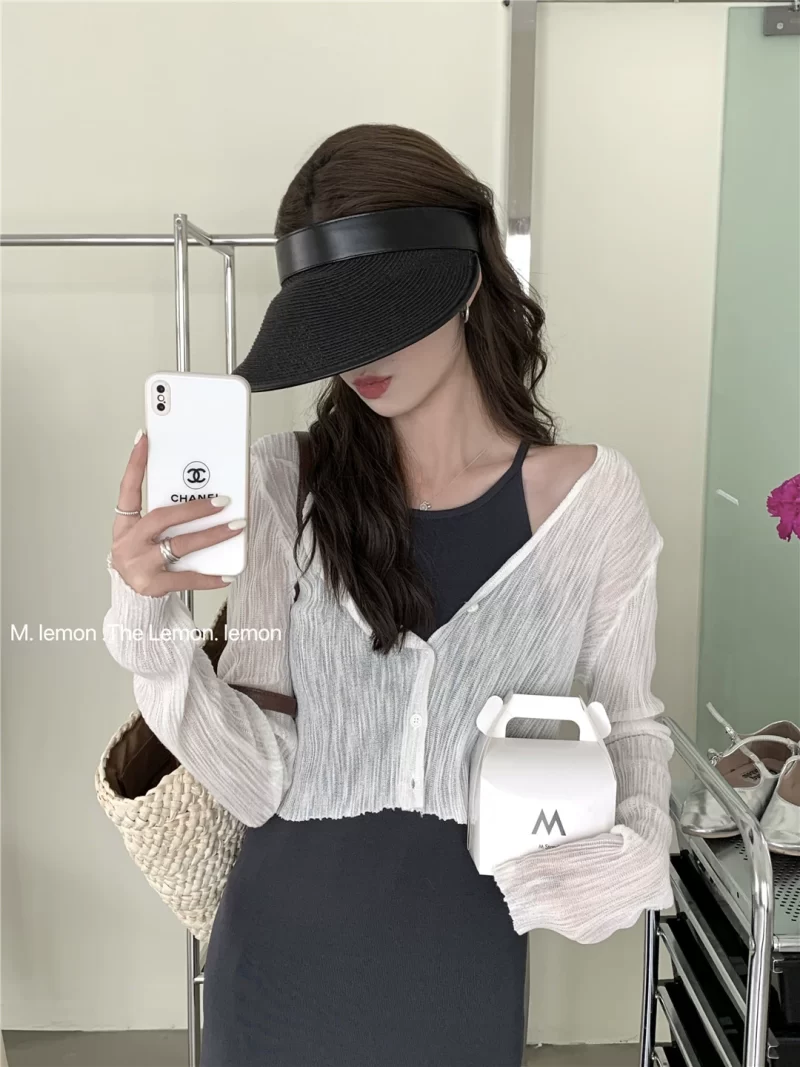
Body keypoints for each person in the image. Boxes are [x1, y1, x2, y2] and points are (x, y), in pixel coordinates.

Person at [103, 123, 674, 1067]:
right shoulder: (283, 483)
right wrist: (149, 623)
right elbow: (257, 775)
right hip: (272, 967)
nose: (357, 353)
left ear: (469, 277)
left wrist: (633, 855)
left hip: (462, 964)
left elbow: (631, 724)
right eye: (332, 328)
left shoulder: (593, 501)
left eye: (380, 312)